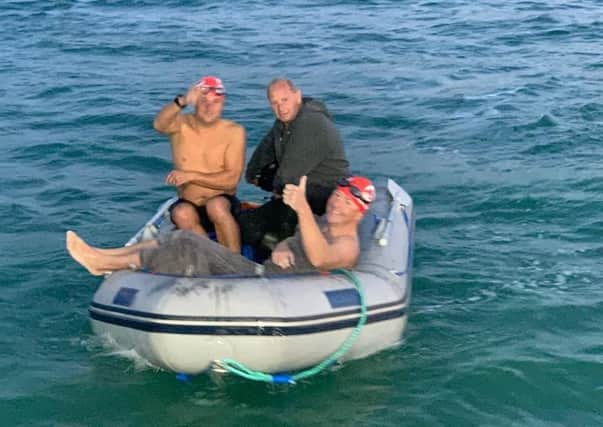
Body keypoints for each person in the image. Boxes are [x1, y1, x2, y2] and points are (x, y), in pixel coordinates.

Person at [65, 176, 376, 277]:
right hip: (263, 272)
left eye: (347, 203)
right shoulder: (325, 222)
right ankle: (106, 257)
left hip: (267, 285)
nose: (336, 204)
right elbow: (299, 239)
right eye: (337, 197)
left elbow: (320, 258)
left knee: (187, 244)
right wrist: (282, 246)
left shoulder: (347, 244)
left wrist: (303, 207)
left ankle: (105, 262)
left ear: (359, 213)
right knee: (184, 235)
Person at [240, 78, 350, 248]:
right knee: (269, 178)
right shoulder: (285, 121)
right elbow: (265, 149)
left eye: (285, 100)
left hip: (324, 194)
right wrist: (252, 174)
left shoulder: (311, 123)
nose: (281, 107)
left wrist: (277, 194)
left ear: (297, 96)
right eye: (274, 103)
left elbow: (288, 176)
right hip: (304, 187)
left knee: (246, 227)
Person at [153, 75, 245, 253]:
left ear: (223, 102)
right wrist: (182, 101)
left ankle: (236, 259)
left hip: (222, 203)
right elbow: (159, 125)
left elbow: (231, 180)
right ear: (195, 103)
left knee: (216, 206)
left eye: (215, 102)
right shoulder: (180, 125)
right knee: (181, 213)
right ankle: (212, 259)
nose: (209, 108)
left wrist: (191, 176)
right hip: (190, 203)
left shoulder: (234, 131)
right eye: (204, 102)